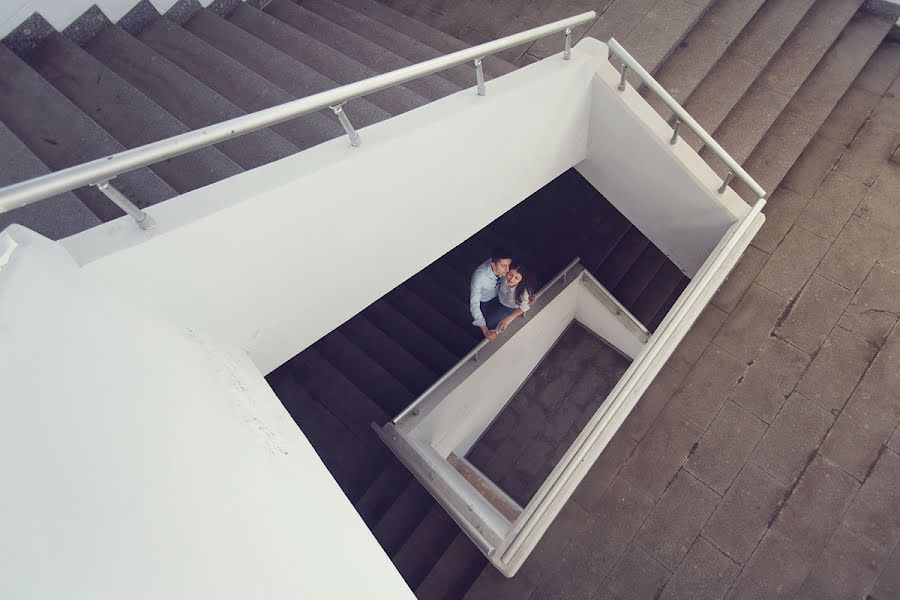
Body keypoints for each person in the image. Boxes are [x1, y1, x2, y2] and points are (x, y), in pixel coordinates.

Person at [470, 248, 511, 341]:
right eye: (504, 266)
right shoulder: (479, 277)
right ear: (493, 265)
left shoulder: (501, 266)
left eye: (508, 265)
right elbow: (474, 305)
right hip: (483, 301)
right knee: (485, 325)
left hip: (499, 295)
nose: (508, 270)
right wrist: (485, 331)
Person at [495, 262, 537, 333]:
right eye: (510, 275)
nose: (511, 279)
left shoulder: (524, 292)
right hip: (498, 299)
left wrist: (507, 320)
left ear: (521, 280)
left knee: (490, 323)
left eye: (516, 278)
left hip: (510, 307)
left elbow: (524, 307)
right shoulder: (503, 277)